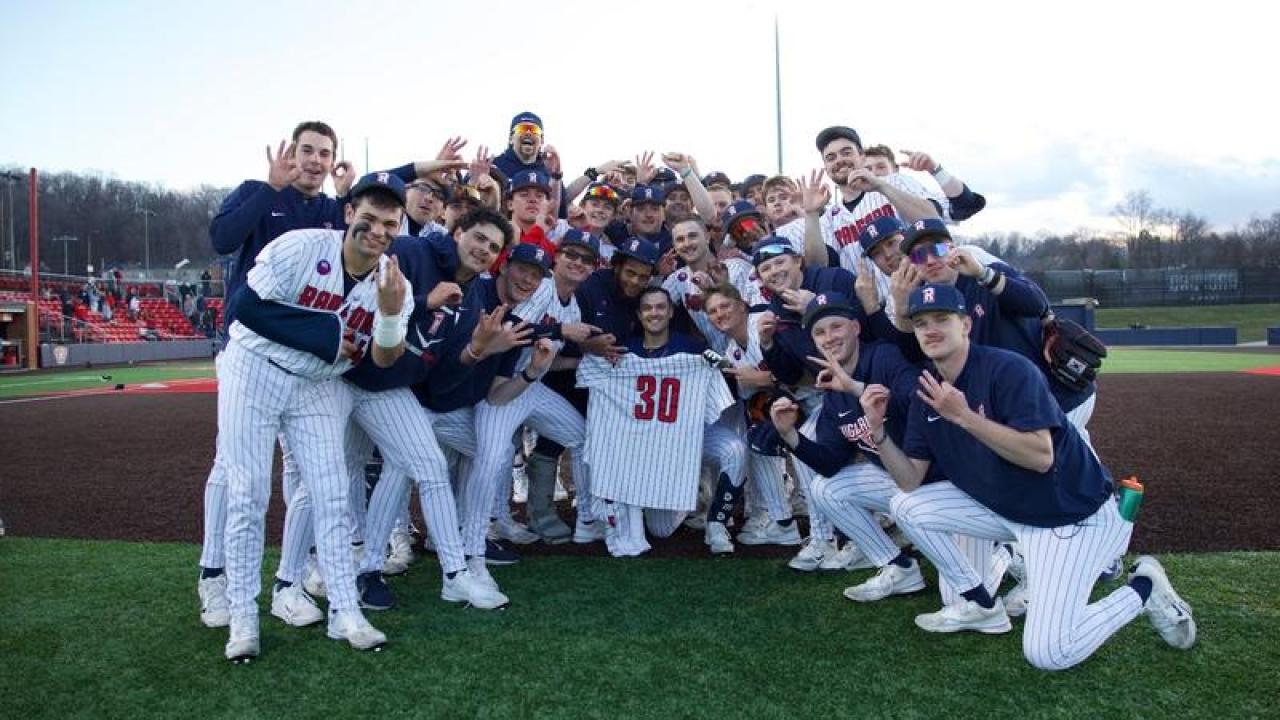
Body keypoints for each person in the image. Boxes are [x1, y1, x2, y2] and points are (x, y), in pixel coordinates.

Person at [867, 283, 1195, 670]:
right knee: (905, 504)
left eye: (942, 319)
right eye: (921, 323)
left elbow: (1040, 457)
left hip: (1069, 515)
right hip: (1009, 511)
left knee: (1049, 653)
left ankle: (1144, 588)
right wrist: (878, 433)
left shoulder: (1008, 369)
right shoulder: (928, 389)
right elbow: (910, 480)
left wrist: (964, 417)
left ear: (966, 324)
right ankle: (978, 600)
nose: (931, 329)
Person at [216, 172, 411, 662]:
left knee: (332, 492)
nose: (378, 230)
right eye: (369, 217)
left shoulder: (394, 284)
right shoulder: (301, 246)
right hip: (255, 367)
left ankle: (345, 611)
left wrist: (390, 315)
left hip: (319, 384)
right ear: (348, 213)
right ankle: (243, 616)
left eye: (390, 223)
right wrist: (324, 334)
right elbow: (245, 308)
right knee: (248, 492)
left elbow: (384, 359)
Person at [803, 126, 944, 274]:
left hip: (920, 283)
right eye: (831, 158)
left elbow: (933, 219)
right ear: (826, 168)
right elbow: (817, 266)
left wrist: (881, 186)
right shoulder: (828, 220)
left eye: (846, 153)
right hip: (867, 289)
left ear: (862, 157)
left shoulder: (895, 182)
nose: (839, 160)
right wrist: (811, 214)